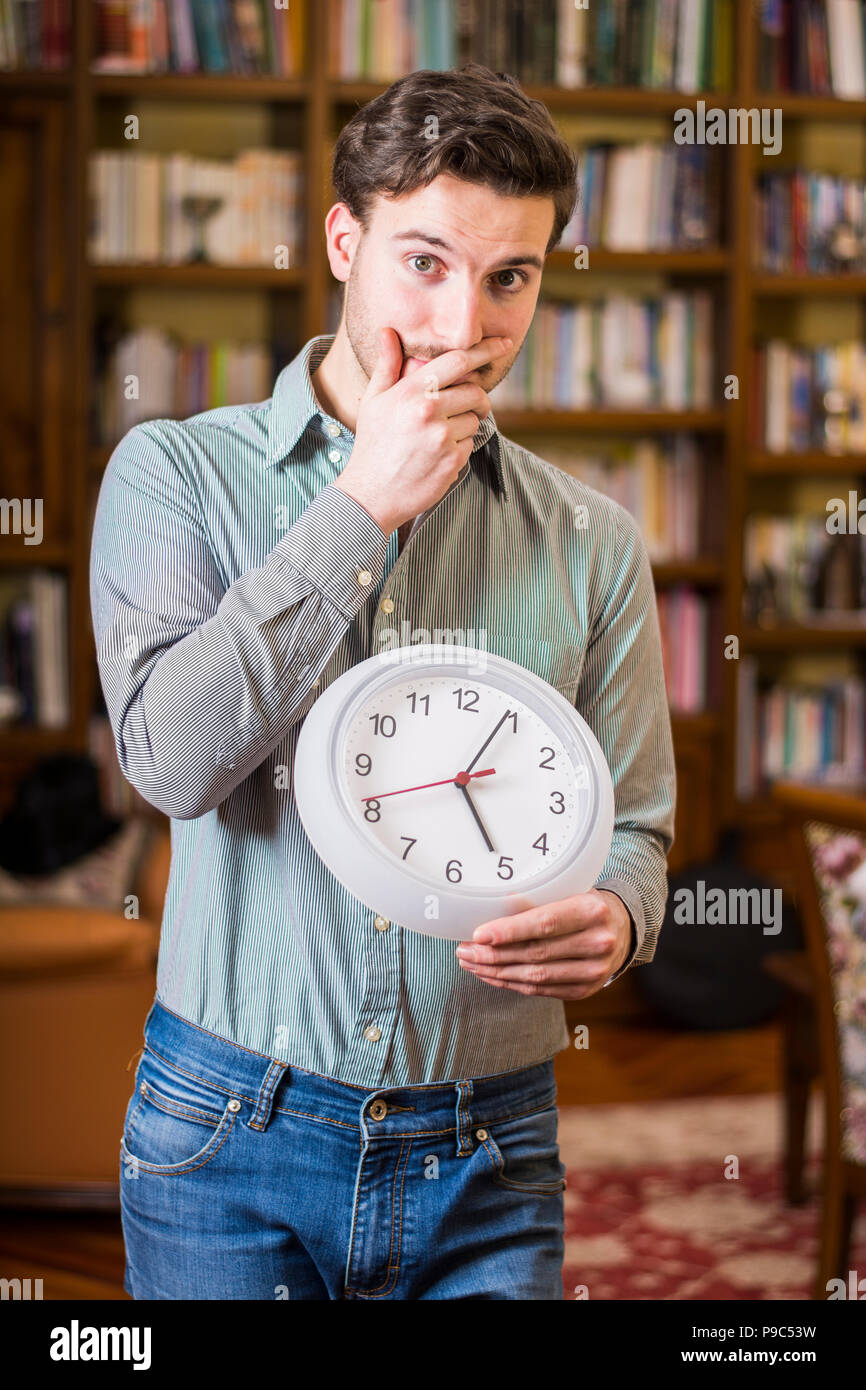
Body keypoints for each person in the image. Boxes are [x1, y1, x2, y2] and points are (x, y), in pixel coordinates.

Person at [90, 63, 676, 1301]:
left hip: (491, 1139)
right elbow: (172, 764)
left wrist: (617, 920)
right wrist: (361, 507)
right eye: (424, 261)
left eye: (509, 276)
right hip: (226, 1127)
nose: (466, 322)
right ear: (344, 240)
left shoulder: (593, 540)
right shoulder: (173, 475)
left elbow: (634, 831)